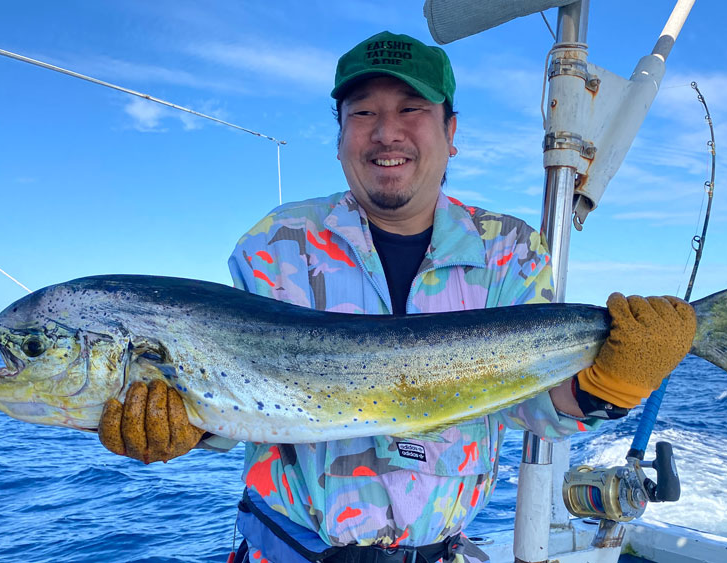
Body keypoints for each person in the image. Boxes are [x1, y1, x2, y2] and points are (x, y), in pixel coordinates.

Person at [98, 31, 696, 563]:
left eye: (412, 109)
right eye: (363, 113)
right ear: (338, 137)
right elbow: (245, 399)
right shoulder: (274, 244)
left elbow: (530, 407)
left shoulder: (512, 250)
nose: (387, 132)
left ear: (450, 131)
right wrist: (188, 425)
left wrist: (608, 389)